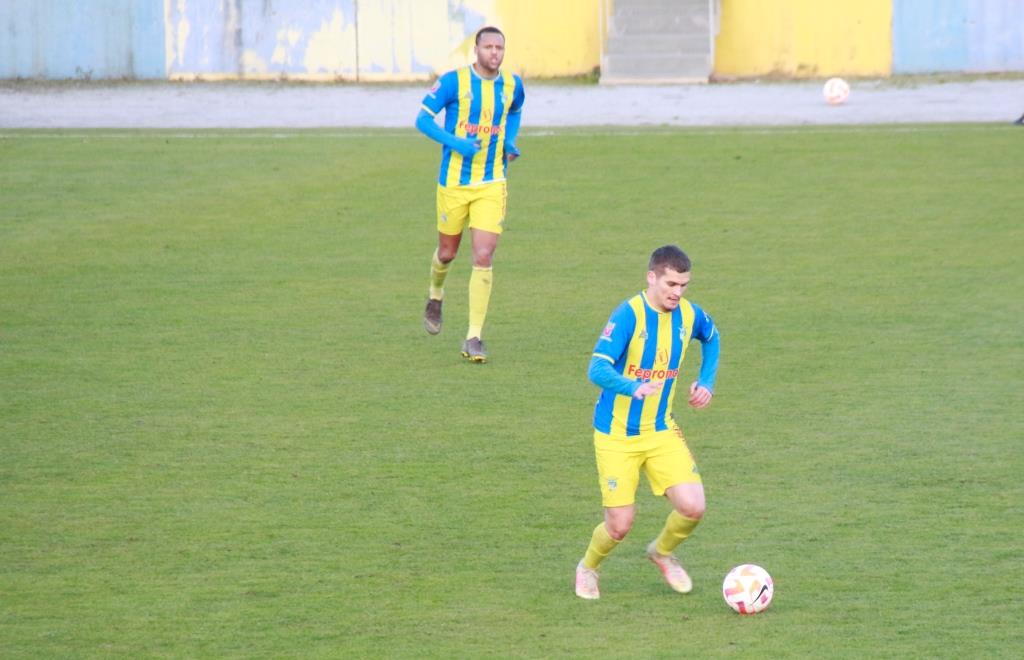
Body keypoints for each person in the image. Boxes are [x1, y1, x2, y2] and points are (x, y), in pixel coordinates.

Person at [574, 245, 721, 600]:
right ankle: (588, 567)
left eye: (684, 285)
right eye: (671, 283)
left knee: (693, 506)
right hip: (616, 435)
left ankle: (662, 552)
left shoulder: (689, 315)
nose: (677, 292)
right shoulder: (629, 316)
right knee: (620, 525)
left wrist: (706, 382)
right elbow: (596, 369)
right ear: (651, 277)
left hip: (660, 429)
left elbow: (713, 338)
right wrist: (633, 386)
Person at [415, 26, 525, 363]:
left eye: (499, 47)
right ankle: (436, 294)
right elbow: (422, 120)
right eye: (488, 46)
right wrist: (457, 143)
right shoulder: (453, 82)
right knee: (447, 253)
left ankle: (473, 336)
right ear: (475, 50)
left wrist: (508, 141)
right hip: (453, 183)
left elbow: (516, 111)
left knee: (484, 254)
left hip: (492, 182)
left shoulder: (512, 85)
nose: (494, 52)